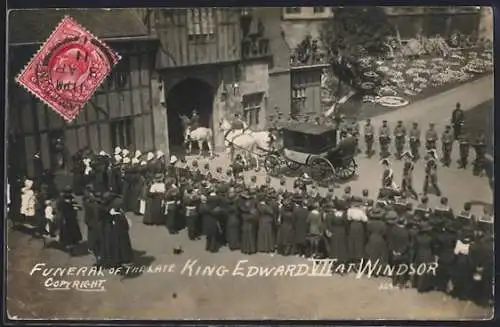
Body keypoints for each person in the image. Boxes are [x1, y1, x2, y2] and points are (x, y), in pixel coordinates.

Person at [56, 186, 82, 255]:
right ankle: (68, 247)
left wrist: (76, 207)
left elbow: (76, 205)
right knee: (66, 233)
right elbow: (60, 209)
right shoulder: (61, 200)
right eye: (67, 192)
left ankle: (72, 246)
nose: (68, 194)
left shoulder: (71, 198)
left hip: (72, 218)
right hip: (66, 219)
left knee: (72, 233)